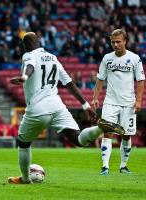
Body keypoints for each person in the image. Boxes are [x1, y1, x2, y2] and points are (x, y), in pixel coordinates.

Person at [8, 32, 124, 184]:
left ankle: (25, 178)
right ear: (39, 41)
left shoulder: (28, 55)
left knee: (23, 144)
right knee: (79, 140)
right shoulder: (53, 58)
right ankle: (100, 128)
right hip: (57, 105)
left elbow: (30, 66)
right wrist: (85, 105)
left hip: (37, 108)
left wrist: (24, 78)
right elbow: (69, 82)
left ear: (25, 46)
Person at [91, 29, 145, 175]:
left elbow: (140, 80)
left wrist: (139, 101)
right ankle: (105, 167)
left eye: (118, 42)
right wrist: (95, 97)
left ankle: (123, 165)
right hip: (110, 102)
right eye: (113, 42)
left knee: (126, 135)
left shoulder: (135, 59)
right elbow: (100, 79)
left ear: (125, 41)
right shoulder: (107, 58)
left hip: (128, 103)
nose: (115, 45)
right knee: (107, 132)